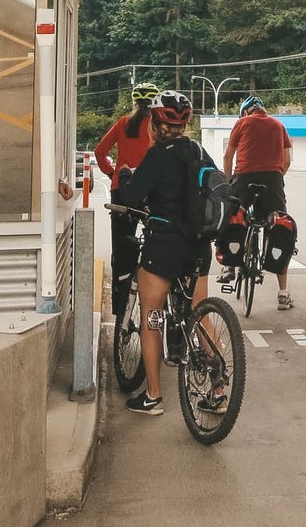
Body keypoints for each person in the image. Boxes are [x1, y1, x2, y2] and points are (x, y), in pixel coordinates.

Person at [115, 90, 218, 416]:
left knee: (151, 317)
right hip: (199, 245)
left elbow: (131, 196)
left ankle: (154, 396)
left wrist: (127, 180)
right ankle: (217, 392)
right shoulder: (199, 151)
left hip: (164, 246)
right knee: (200, 312)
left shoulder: (157, 156)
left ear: (154, 124)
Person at [95, 82, 159, 321]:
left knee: (121, 248)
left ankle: (119, 307)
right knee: (157, 239)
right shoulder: (156, 127)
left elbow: (100, 151)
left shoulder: (123, 123)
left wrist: (112, 173)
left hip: (122, 191)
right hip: (150, 192)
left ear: (134, 103)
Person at [224, 94, 294, 310]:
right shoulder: (278, 124)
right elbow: (287, 160)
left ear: (246, 112)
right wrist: (276, 176)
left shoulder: (241, 123)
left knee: (233, 215)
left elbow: (228, 157)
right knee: (279, 225)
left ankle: (229, 266)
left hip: (244, 178)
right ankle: (283, 294)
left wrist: (229, 182)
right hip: (272, 179)